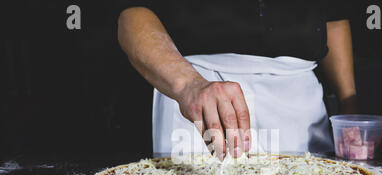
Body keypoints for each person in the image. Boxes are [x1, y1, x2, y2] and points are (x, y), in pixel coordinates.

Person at [117, 0, 356, 160]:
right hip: (197, 89)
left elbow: (333, 17)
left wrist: (349, 107)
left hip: (298, 103)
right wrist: (189, 85)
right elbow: (132, 14)